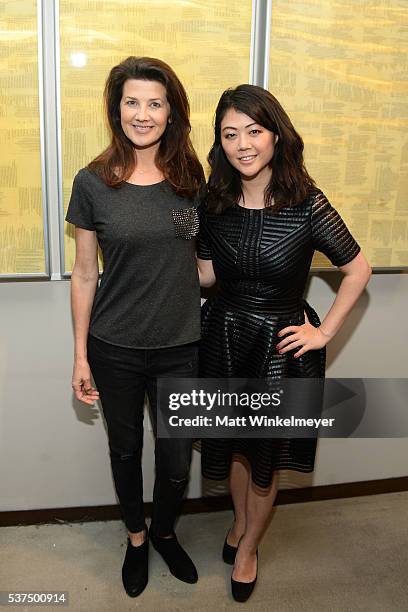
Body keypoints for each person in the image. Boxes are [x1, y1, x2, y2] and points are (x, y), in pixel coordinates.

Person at [197, 84, 371, 603]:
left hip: (279, 349)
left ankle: (249, 545)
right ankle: (238, 525)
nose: (243, 144)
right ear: (220, 143)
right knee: (232, 450)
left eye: (254, 130)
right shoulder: (214, 201)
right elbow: (205, 277)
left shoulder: (307, 203)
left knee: (265, 456)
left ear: (275, 135)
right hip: (223, 337)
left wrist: (323, 332)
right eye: (231, 134)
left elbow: (358, 269)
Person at [66, 56, 204, 598]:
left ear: (171, 113)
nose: (142, 114)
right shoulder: (92, 182)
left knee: (176, 459)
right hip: (114, 348)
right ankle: (137, 538)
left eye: (154, 102)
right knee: (124, 452)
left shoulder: (194, 181)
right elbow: (83, 275)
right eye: (131, 101)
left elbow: (209, 266)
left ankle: (165, 530)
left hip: (180, 348)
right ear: (115, 108)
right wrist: (80, 355)